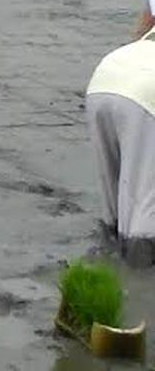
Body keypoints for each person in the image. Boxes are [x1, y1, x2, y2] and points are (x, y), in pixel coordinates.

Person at [86, 30, 155, 261]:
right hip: (146, 93)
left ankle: (106, 256)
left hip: (106, 77)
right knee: (145, 199)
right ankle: (138, 272)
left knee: (111, 196)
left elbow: (145, 25)